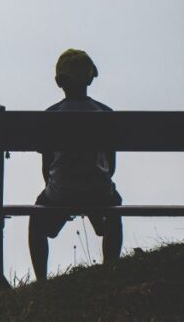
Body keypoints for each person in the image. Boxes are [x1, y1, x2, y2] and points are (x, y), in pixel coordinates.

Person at [29, 48, 123, 281]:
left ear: (59, 82)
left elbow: (46, 167)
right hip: (99, 192)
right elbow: (111, 166)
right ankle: (110, 270)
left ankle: (42, 280)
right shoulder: (105, 114)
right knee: (114, 204)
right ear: (90, 78)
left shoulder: (50, 116)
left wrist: (59, 189)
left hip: (61, 191)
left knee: (37, 218)